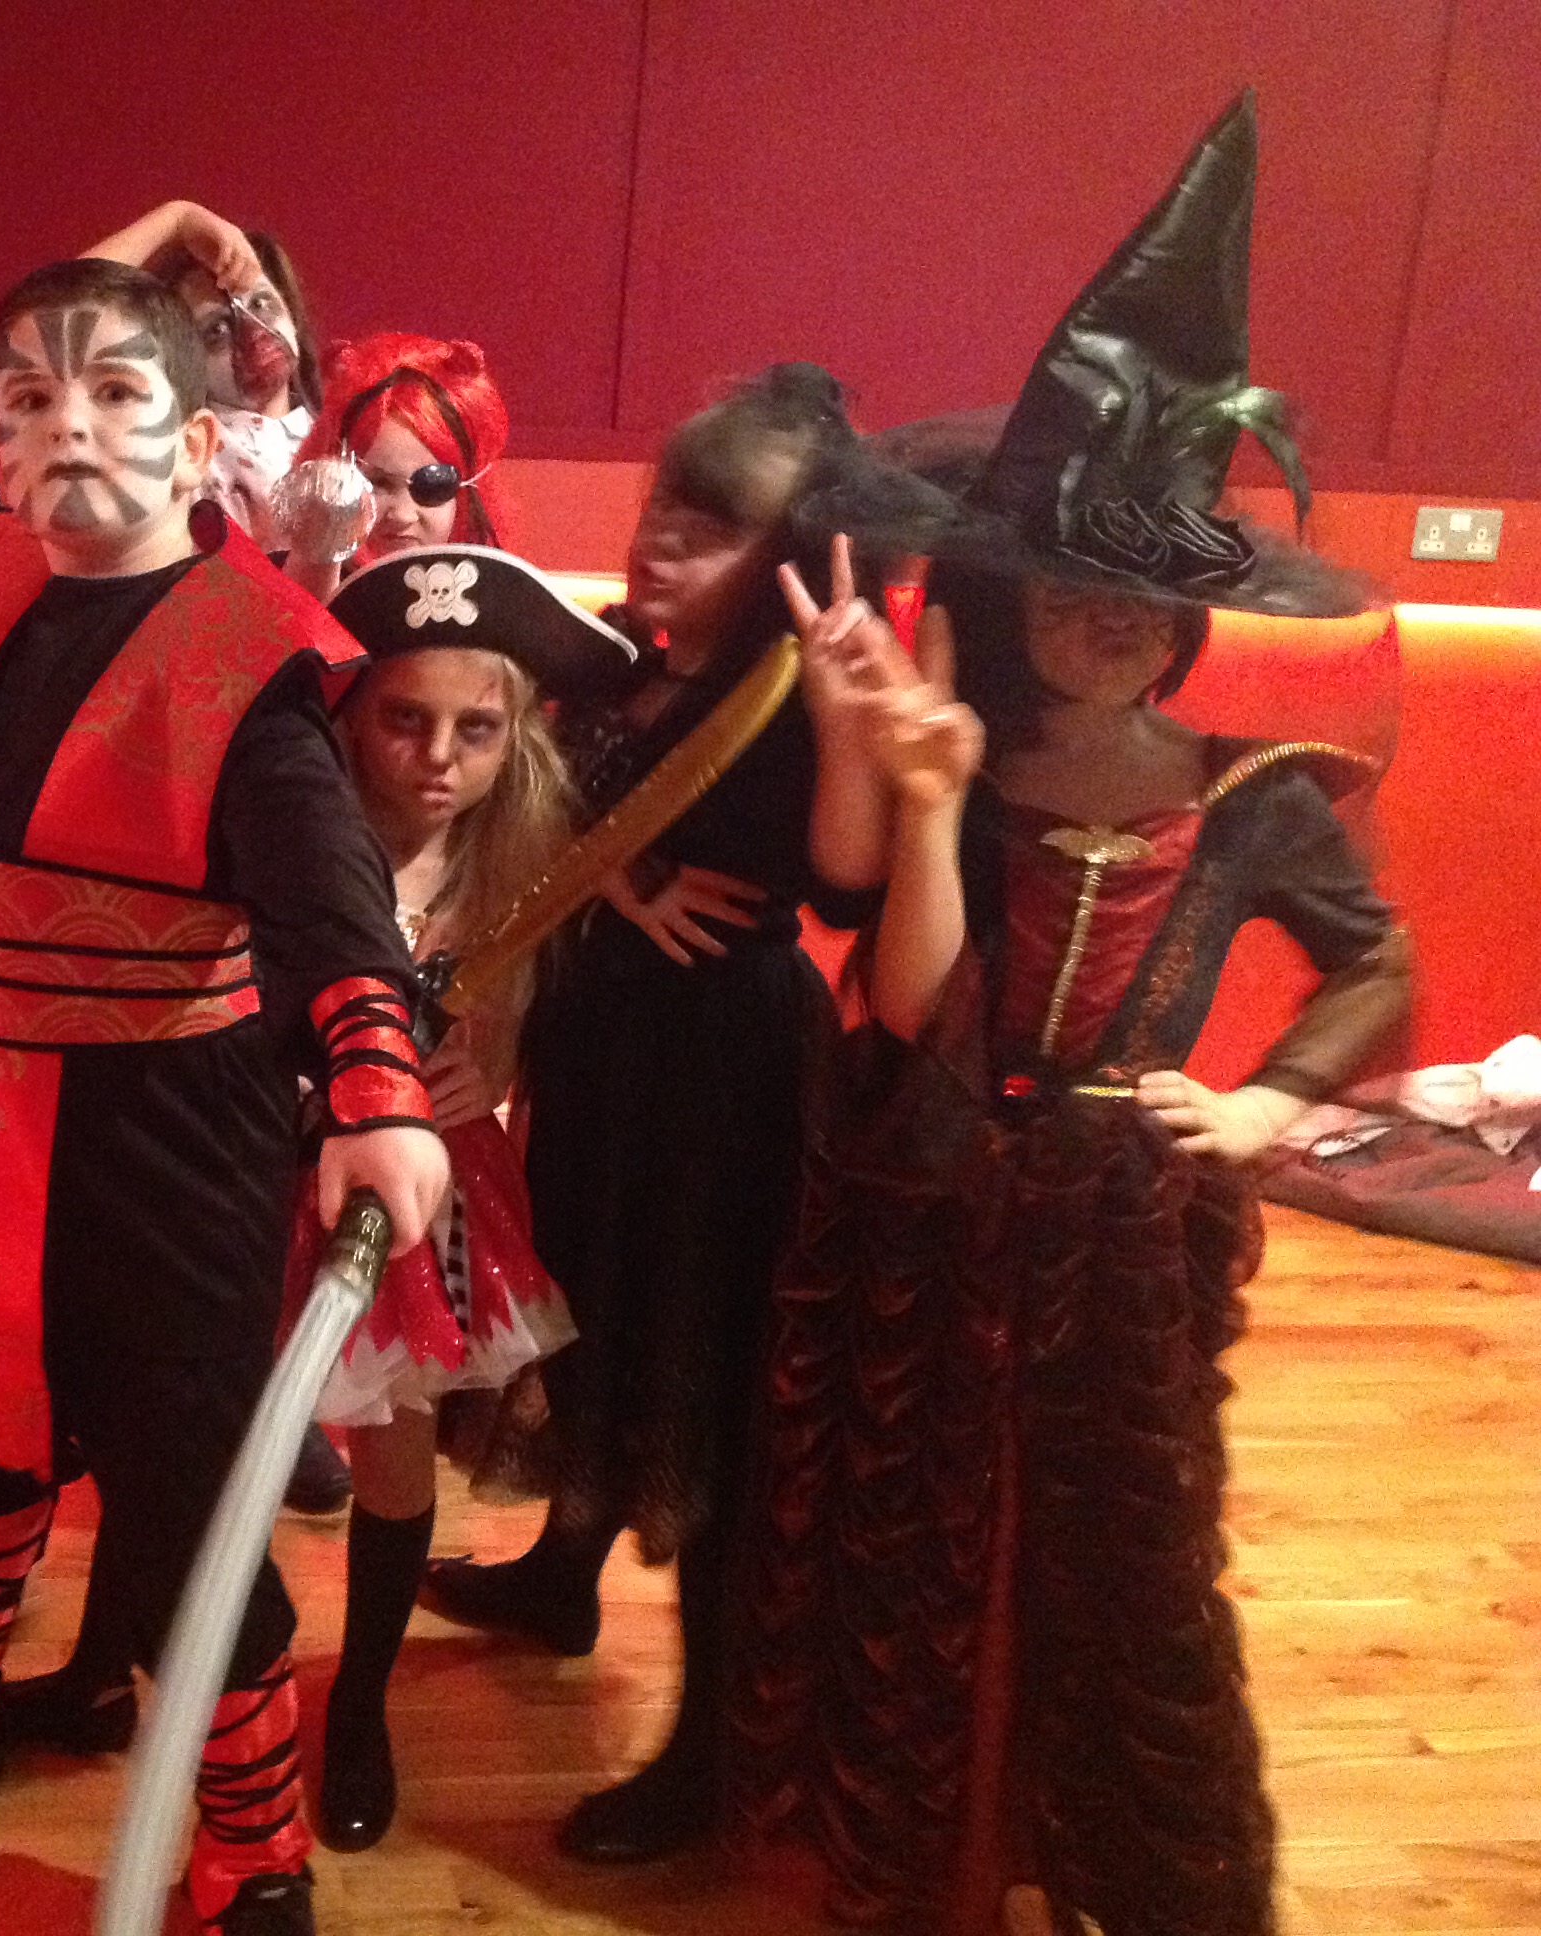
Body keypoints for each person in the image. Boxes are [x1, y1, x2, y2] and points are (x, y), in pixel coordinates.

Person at [726, 95, 1412, 1934]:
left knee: (1121, 1545)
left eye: (1143, 594)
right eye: (1074, 589)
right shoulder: (963, 761)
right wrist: (910, 781)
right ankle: (934, 1860)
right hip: (929, 1207)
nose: (1107, 623)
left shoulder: (1251, 793)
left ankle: (1092, 1853)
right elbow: (896, 984)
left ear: (1187, 612)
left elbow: (1375, 963)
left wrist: (1266, 1105)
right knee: (920, 1533)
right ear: (1010, 592)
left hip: (1122, 1226)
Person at [0, 248, 448, 1936]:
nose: (69, 430)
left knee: (187, 1501)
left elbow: (325, 892)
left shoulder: (252, 665)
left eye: (115, 392)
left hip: (169, 1138)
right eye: (32, 400)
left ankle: (251, 1841)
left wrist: (377, 1083)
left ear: (198, 440)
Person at [417, 363, 892, 1862]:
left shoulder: (786, 696)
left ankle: (710, 1750)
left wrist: (845, 718)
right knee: (589, 1323)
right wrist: (621, 877)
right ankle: (560, 1576)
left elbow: (846, 888)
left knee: (705, 1383)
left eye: (715, 523)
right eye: (665, 504)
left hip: (724, 1075)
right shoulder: (617, 661)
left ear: (793, 553)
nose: (665, 539)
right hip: (602, 1053)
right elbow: (538, 802)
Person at [298, 545, 632, 1852]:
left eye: (474, 729)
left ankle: (360, 1701)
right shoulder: (295, 832)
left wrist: (488, 1063)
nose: (438, 758)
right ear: (352, 713)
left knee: (391, 1456)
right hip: (270, 1168)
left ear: (515, 732)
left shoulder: (518, 861)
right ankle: (144, 1661)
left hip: (425, 1192)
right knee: (214, 1438)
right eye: (405, 718)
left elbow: (520, 1027)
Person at [83, 198, 324, 550]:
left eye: (260, 303)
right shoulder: (184, 453)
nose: (253, 330)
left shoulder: (347, 433)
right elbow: (63, 310)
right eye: (217, 329)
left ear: (292, 313)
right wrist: (176, 219)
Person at [275, 333, 510, 599]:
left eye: (433, 484)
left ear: (467, 495)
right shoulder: (281, 580)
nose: (402, 515)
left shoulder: (496, 599)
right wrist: (317, 555)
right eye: (377, 483)